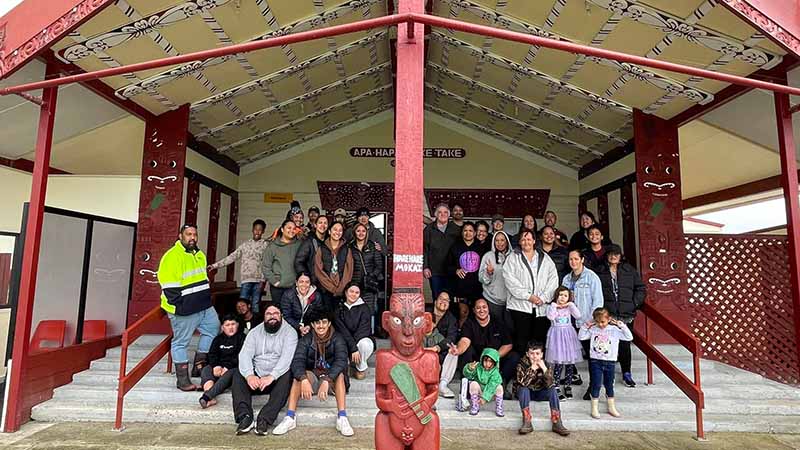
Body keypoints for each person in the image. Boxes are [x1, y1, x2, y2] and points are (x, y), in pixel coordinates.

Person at [272, 308, 353, 437]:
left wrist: (327, 380)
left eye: (324, 322)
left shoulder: (338, 338)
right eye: (317, 323)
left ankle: (342, 417)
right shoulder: (306, 340)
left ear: (329, 323)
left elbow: (341, 362)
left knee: (340, 375)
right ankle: (290, 417)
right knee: (297, 378)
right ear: (313, 325)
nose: (321, 326)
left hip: (331, 380)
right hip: (314, 376)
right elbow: (297, 361)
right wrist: (304, 379)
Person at [158, 224, 220, 390]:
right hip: (184, 310)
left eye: (194, 234)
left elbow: (203, 280)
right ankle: (183, 380)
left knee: (213, 329)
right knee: (180, 343)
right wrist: (182, 308)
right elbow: (169, 288)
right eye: (188, 234)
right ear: (180, 236)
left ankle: (198, 367)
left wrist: (206, 300)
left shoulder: (199, 254)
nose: (192, 237)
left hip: (204, 306)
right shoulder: (172, 257)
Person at [232, 305, 298, 435]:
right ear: (264, 316)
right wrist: (250, 375)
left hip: (276, 378)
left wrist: (272, 376)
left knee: (288, 374)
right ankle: (245, 417)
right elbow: (244, 355)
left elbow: (287, 359)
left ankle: (265, 419)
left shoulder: (290, 332)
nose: (272, 316)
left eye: (275, 313)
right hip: (257, 377)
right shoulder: (254, 332)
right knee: (238, 373)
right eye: (268, 313)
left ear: (281, 316)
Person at [597, 244, 646, 387]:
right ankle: (608, 374)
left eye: (616, 254)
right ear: (607, 255)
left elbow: (641, 288)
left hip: (626, 313)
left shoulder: (629, 270)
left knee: (625, 344)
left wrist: (634, 303)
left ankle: (626, 373)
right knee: (607, 343)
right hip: (608, 314)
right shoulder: (600, 271)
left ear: (620, 256)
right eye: (611, 254)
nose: (613, 257)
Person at [503, 230, 559, 355]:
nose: (526, 242)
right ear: (519, 242)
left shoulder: (545, 258)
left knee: (539, 342)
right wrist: (529, 297)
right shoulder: (513, 258)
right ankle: (523, 372)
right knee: (521, 342)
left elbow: (553, 279)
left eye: (529, 239)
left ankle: (538, 371)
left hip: (541, 308)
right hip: (520, 307)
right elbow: (510, 281)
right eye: (523, 239)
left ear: (534, 241)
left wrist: (543, 298)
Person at [579, 307, 633, 419]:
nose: (601, 324)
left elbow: (629, 337)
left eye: (603, 321)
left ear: (609, 319)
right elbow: (581, 336)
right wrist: (586, 326)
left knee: (609, 384)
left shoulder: (614, 330)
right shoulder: (594, 329)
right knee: (596, 384)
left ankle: (611, 407)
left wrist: (621, 325)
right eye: (597, 322)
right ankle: (594, 407)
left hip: (610, 362)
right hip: (595, 361)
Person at [563, 250, 604, 394]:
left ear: (582, 260)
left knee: (592, 356)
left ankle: (594, 387)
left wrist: (592, 321)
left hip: (587, 323)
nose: (573, 262)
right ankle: (569, 381)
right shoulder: (566, 279)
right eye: (570, 259)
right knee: (569, 354)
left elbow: (598, 302)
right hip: (569, 323)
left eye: (576, 259)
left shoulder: (591, 277)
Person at [208, 219, 269, 314]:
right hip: (246, 280)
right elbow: (232, 257)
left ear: (263, 231)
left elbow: (268, 263)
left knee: (255, 304)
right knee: (242, 304)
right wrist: (215, 265)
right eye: (255, 229)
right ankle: (241, 325)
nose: (257, 231)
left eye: (260, 229)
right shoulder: (245, 245)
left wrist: (264, 279)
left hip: (259, 280)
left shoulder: (266, 245)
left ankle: (254, 326)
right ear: (252, 230)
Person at [448, 299, 514, 385]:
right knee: (467, 351)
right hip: (477, 361)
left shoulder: (498, 322)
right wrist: (458, 350)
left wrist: (492, 357)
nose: (482, 310)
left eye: (484, 307)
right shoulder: (469, 323)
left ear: (488, 308)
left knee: (514, 357)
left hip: (496, 358)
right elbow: (465, 341)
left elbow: (508, 344)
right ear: (474, 310)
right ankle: (467, 381)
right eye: (478, 308)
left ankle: (501, 381)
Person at [514, 341, 569, 436]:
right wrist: (532, 369)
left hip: (540, 393)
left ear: (542, 354)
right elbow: (523, 383)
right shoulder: (521, 364)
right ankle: (527, 421)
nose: (534, 356)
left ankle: (557, 421)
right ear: (527, 354)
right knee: (523, 389)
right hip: (527, 394)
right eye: (531, 353)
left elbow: (551, 384)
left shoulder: (546, 365)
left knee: (552, 389)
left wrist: (544, 370)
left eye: (537, 354)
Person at [199, 314, 246, 408]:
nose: (230, 327)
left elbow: (242, 355)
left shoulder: (242, 338)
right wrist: (216, 365)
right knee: (206, 369)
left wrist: (227, 367)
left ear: (237, 325)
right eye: (227, 325)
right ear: (222, 327)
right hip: (219, 368)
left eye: (233, 324)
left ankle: (207, 396)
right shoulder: (218, 339)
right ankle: (211, 398)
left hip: (233, 368)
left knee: (232, 372)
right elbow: (212, 354)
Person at [545, 287, 583, 400]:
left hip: (568, 336)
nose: (563, 297)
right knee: (559, 362)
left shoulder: (569, 307)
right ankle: (556, 385)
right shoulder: (551, 307)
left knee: (570, 363)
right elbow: (550, 317)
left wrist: (571, 305)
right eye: (560, 295)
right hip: (557, 336)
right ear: (556, 296)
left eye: (565, 296)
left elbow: (578, 315)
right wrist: (554, 306)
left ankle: (568, 385)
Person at [334, 282, 374, 380]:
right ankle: (345, 364)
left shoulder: (364, 308)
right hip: (345, 340)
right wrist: (352, 348)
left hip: (359, 340)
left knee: (365, 344)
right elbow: (342, 330)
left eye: (357, 292)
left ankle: (360, 366)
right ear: (346, 292)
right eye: (351, 291)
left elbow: (364, 330)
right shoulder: (339, 308)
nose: (353, 294)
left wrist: (354, 348)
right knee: (338, 342)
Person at [423, 203, 461, 299]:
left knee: (451, 298)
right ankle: (438, 315)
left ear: (449, 215)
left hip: (452, 271)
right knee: (437, 297)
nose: (442, 214)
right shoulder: (429, 229)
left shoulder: (456, 229)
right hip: (434, 271)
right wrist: (425, 267)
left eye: (445, 212)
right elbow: (425, 249)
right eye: (439, 212)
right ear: (435, 214)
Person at [314, 221, 354, 311]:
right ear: (329, 232)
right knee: (327, 315)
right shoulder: (322, 248)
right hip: (325, 289)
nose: (337, 232)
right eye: (335, 230)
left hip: (342, 289)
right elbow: (318, 270)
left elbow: (349, 270)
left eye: (340, 230)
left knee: (340, 317)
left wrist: (341, 288)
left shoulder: (346, 249)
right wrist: (331, 288)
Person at [348, 222, 385, 318]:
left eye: (363, 231)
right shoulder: (350, 247)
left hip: (368, 284)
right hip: (354, 283)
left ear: (366, 233)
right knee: (355, 310)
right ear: (354, 232)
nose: (361, 233)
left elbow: (379, 265)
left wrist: (371, 276)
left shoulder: (373, 246)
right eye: (358, 231)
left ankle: (370, 332)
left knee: (369, 310)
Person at [447, 222, 484, 308]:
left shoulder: (481, 248)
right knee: (462, 312)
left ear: (475, 233)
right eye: (465, 231)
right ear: (462, 233)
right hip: (460, 287)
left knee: (476, 311)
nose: (468, 233)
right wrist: (456, 270)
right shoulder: (455, 247)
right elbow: (447, 266)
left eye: (470, 231)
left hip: (477, 287)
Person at [264, 219, 301, 306]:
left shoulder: (299, 244)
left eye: (294, 228)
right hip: (278, 287)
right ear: (282, 229)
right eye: (289, 228)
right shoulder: (272, 246)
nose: (292, 230)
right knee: (278, 312)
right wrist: (274, 281)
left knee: (293, 312)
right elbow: (266, 267)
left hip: (294, 287)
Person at [478, 231, 512, 326]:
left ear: (507, 242)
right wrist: (489, 273)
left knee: (510, 328)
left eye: (502, 240)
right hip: (492, 300)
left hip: (511, 301)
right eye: (497, 240)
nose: (499, 243)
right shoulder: (488, 256)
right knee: (495, 328)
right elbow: (481, 279)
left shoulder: (513, 257)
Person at [458, 348, 504, 417]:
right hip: (478, 393)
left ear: (495, 362)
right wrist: (469, 369)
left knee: (499, 387)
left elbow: (492, 385)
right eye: (485, 360)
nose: (487, 364)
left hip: (490, 395)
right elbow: (467, 375)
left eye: (490, 361)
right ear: (482, 359)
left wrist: (485, 398)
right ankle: (475, 405)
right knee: (473, 384)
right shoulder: (478, 367)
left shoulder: (495, 373)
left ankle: (499, 408)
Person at [431, 291, 459, 398]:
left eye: (447, 300)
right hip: (424, 349)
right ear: (435, 301)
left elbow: (451, 337)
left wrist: (438, 347)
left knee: (454, 350)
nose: (444, 302)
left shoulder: (451, 319)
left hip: (441, 351)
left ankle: (443, 384)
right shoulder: (426, 313)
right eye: (441, 299)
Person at [279, 273, 321, 337]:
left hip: (309, 327)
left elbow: (318, 315)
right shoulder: (288, 295)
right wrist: (299, 327)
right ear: (296, 283)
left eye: (307, 282)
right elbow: (286, 316)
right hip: (291, 326)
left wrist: (309, 326)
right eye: (301, 282)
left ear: (310, 284)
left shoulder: (316, 296)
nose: (304, 285)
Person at [294, 215, 329, 286]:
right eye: (320, 223)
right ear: (315, 225)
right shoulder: (309, 241)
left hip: (327, 283)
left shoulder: (329, 242)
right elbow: (298, 261)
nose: (323, 225)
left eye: (325, 223)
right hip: (314, 283)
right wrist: (307, 277)